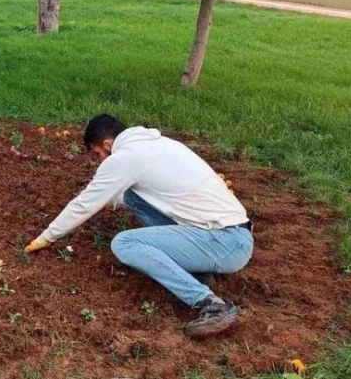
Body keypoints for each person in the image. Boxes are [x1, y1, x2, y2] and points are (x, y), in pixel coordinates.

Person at [24, 114, 254, 338]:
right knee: (133, 197)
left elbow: (84, 204)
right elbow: (119, 196)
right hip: (228, 233)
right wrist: (104, 199)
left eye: (98, 154)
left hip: (225, 243)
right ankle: (198, 268)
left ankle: (210, 303)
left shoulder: (124, 158)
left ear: (107, 143)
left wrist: (46, 238)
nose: (100, 161)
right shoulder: (159, 144)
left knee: (125, 243)